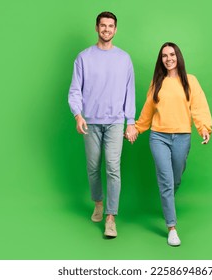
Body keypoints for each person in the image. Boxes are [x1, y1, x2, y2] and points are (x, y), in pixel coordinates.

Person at [133, 42, 212, 246]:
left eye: (172, 54)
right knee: (166, 182)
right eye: (164, 56)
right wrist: (136, 128)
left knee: (175, 180)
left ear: (178, 56)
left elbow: (199, 107)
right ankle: (172, 228)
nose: (168, 59)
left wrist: (204, 127)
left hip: (182, 137)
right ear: (161, 60)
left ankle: (166, 201)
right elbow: (147, 110)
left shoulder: (190, 81)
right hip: (158, 136)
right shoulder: (157, 82)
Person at [68, 11, 138, 238]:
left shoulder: (124, 59)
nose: (107, 29)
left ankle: (110, 217)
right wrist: (78, 115)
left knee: (113, 168)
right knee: (92, 167)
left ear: (115, 30)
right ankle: (98, 202)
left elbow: (130, 92)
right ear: (97, 28)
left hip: (116, 122)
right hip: (91, 122)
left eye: (111, 26)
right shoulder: (83, 58)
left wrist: (131, 121)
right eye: (103, 26)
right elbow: (75, 90)